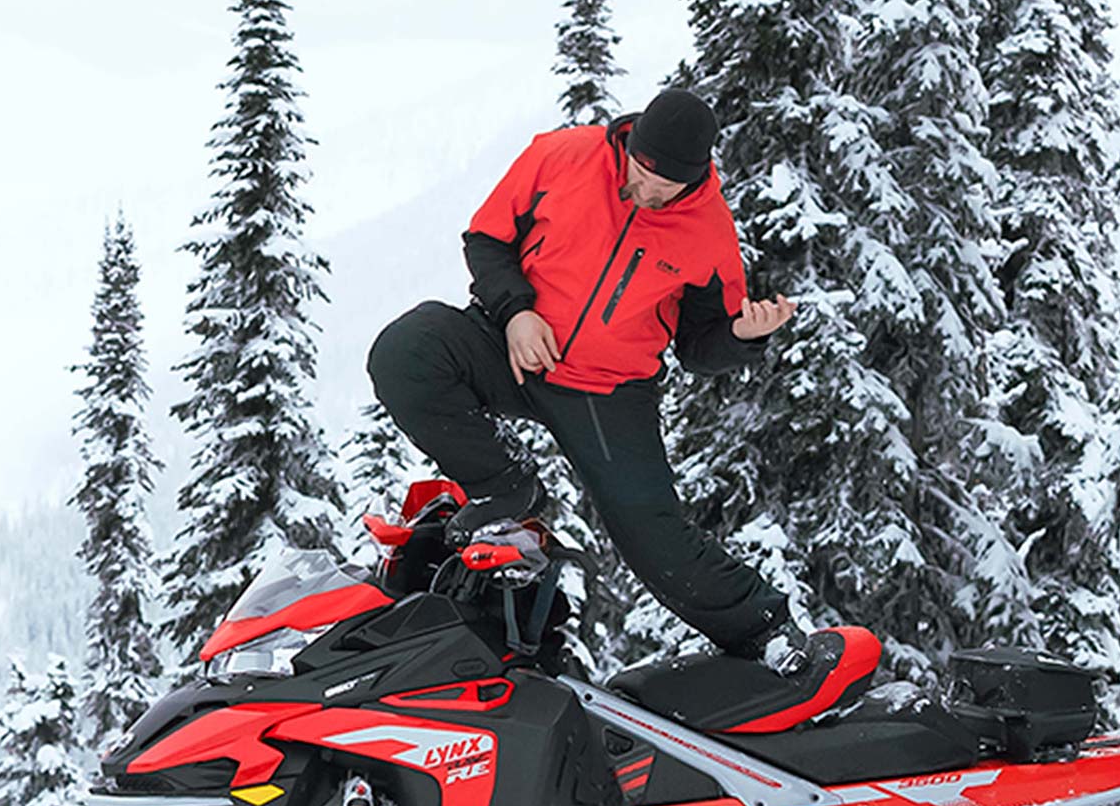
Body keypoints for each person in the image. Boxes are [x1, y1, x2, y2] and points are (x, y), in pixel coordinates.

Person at [364, 84, 851, 687]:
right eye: (636, 171)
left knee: (653, 535)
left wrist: (743, 336)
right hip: (514, 344)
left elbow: (700, 347)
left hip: (608, 389)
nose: (639, 191)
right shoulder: (561, 156)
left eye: (659, 187)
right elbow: (486, 239)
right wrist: (516, 310)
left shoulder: (709, 235)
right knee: (406, 351)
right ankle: (504, 485)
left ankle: (767, 632)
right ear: (629, 141)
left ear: (694, 180)